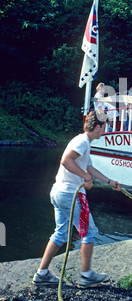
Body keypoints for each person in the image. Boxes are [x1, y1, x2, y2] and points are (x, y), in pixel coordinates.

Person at [32, 111, 121, 288]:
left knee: (61, 233)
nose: (105, 130)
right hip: (70, 194)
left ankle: (41, 274)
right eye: (104, 127)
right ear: (97, 127)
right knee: (90, 232)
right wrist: (85, 178)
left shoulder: (83, 142)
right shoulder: (81, 142)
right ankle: (86, 276)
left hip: (59, 191)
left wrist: (109, 182)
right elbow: (65, 160)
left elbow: (88, 167)